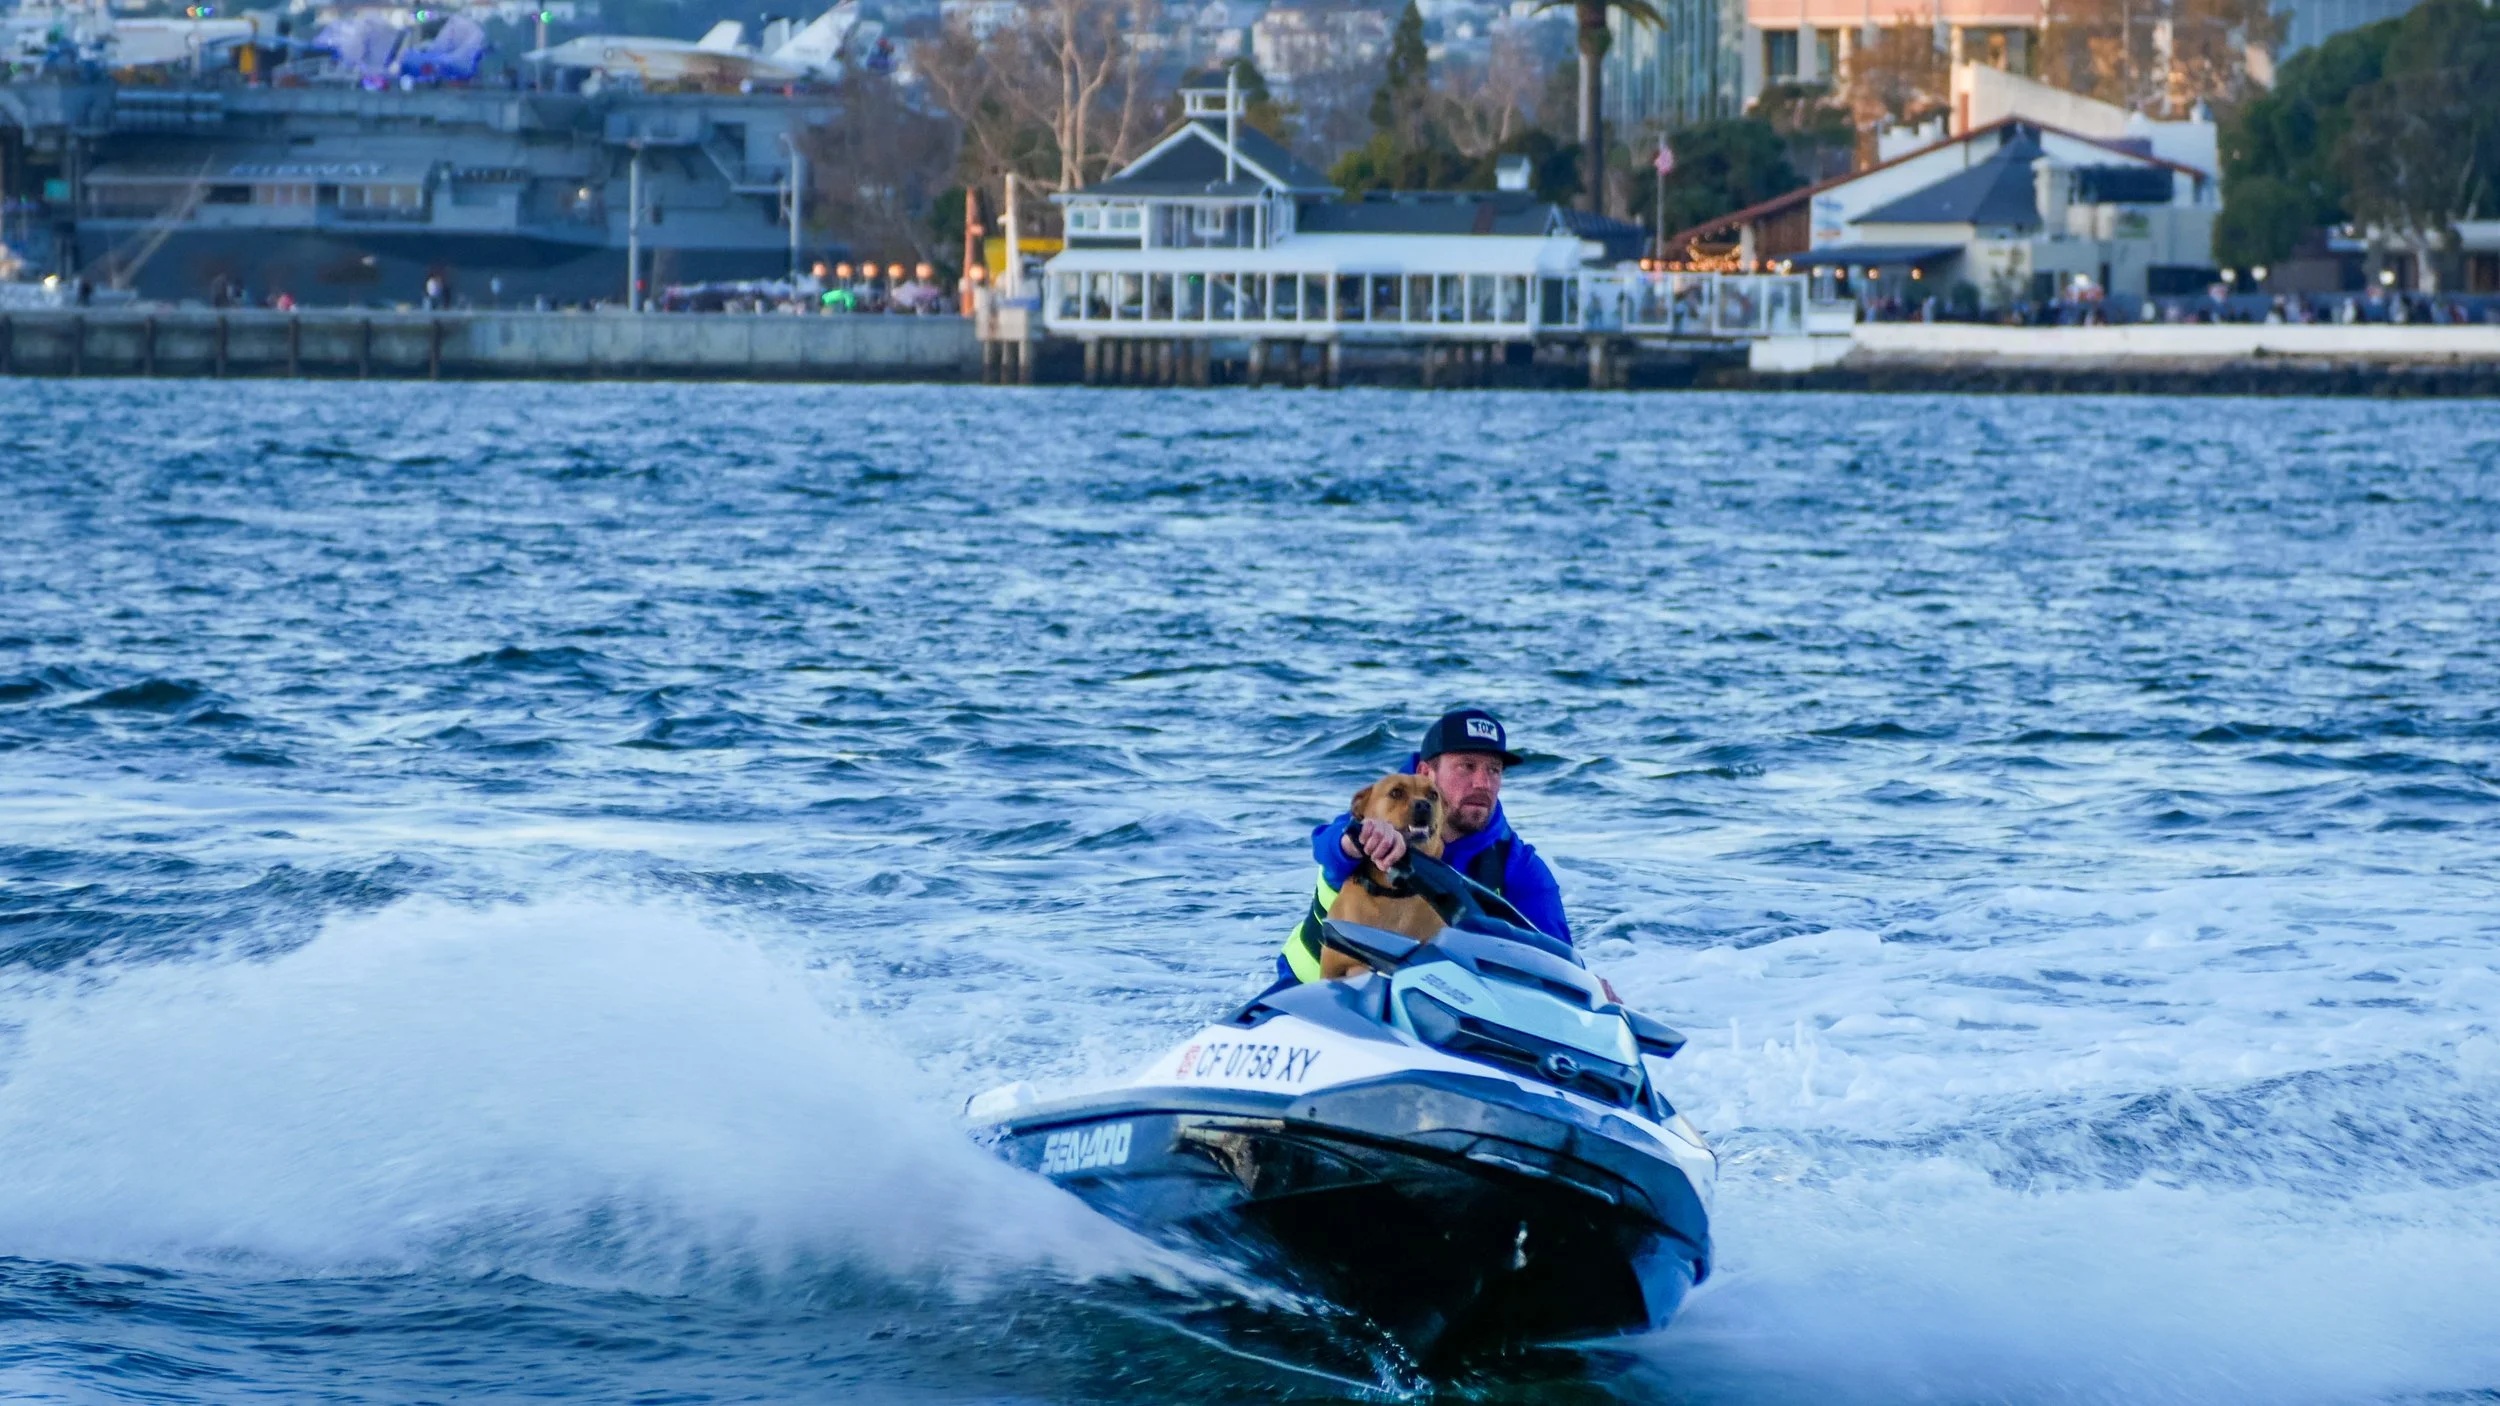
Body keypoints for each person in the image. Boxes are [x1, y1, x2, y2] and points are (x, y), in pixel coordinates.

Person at [1276, 707, 1569, 985]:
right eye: (1467, 766)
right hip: (1300, 994)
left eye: (1494, 770)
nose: (1483, 783)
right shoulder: (1375, 812)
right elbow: (1329, 845)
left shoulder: (1518, 864)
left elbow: (1559, 961)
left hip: (1418, 1013)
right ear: (1426, 772)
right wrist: (1363, 840)